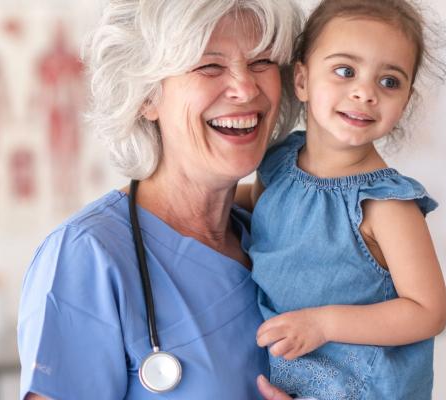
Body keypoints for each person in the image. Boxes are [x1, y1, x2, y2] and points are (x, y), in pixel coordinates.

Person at [16, 0, 303, 398]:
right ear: (147, 96)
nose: (246, 87)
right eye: (209, 65)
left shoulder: (284, 236)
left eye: (262, 62)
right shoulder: (88, 258)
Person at [237, 0, 446, 398]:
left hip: (363, 388)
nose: (365, 92)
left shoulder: (386, 204)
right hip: (286, 373)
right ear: (301, 80)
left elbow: (428, 311)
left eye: (389, 81)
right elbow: (262, 206)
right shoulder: (279, 163)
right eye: (345, 71)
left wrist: (324, 324)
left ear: (404, 103)